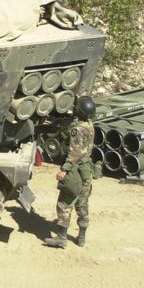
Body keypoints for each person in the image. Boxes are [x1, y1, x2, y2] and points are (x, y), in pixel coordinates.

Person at [44, 95, 96, 248]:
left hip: (75, 170)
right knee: (82, 204)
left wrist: (64, 170)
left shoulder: (77, 130)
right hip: (87, 169)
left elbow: (75, 152)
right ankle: (81, 237)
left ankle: (61, 237)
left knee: (65, 202)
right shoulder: (89, 124)